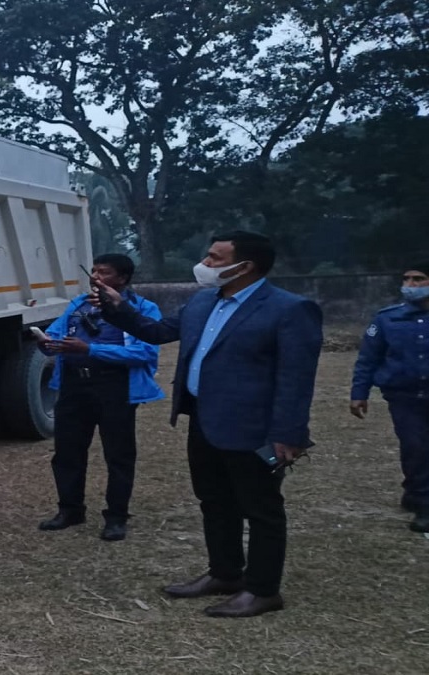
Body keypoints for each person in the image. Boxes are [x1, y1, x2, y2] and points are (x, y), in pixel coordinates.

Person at [91, 231, 322, 618]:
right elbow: (158, 332)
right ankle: (225, 573)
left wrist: (288, 435)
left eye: (215, 258)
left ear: (245, 266)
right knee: (214, 501)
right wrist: (118, 308)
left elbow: (297, 379)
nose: (206, 264)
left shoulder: (289, 309)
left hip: (255, 430)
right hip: (203, 420)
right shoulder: (202, 302)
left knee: (261, 508)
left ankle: (263, 590)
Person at [37, 253, 165, 541]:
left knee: (118, 455)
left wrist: (90, 350)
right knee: (67, 451)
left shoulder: (143, 309)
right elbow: (55, 334)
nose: (95, 277)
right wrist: (47, 343)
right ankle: (70, 510)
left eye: (104, 272)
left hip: (115, 389)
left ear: (122, 278)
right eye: (93, 271)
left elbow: (145, 351)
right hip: (73, 387)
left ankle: (116, 517)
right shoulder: (77, 305)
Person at [350, 262, 429, 532]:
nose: (410, 284)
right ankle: (422, 501)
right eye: (406, 279)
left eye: (418, 279)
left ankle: (418, 495)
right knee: (415, 447)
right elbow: (368, 359)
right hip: (404, 396)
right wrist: (359, 393)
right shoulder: (387, 318)